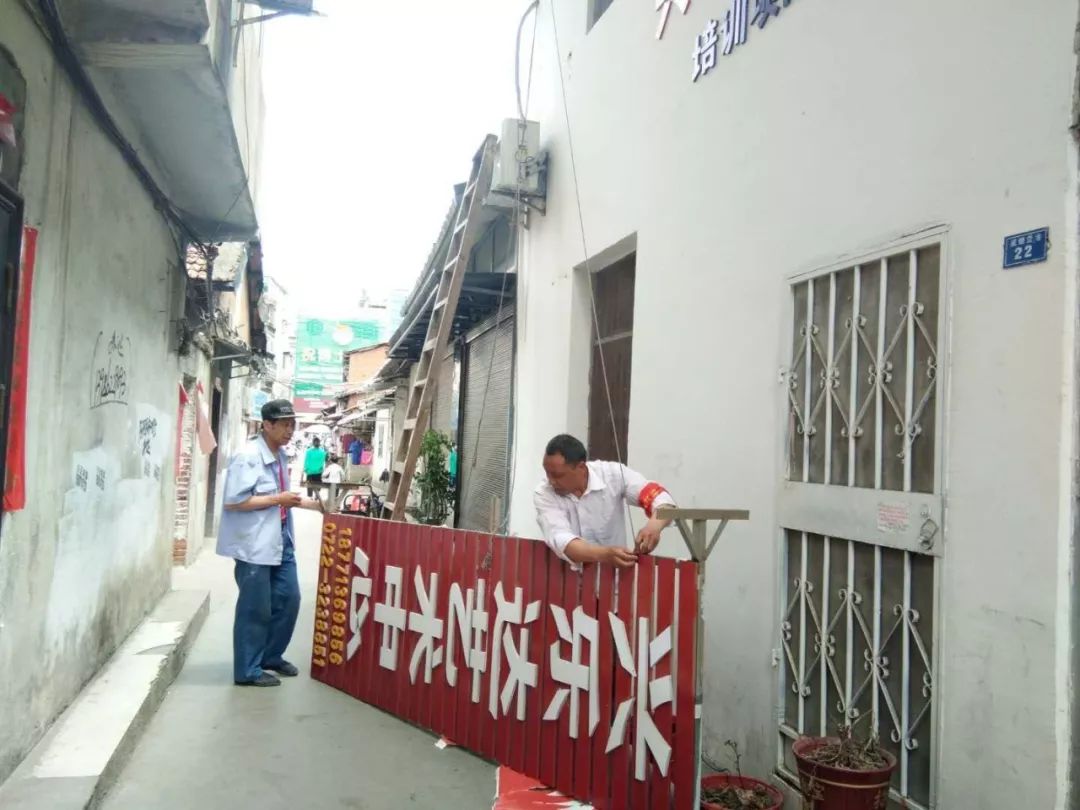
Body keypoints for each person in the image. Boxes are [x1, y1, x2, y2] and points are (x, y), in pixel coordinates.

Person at [218, 399, 323, 687]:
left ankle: (270, 656)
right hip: (254, 544)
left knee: (289, 599)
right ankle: (247, 670)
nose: (290, 431)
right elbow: (233, 502)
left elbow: (284, 498)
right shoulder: (247, 456)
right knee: (255, 608)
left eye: (293, 425)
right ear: (267, 424)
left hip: (281, 538)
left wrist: (316, 506)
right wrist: (278, 499)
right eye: (285, 425)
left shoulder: (281, 456)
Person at [534, 434, 677, 569]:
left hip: (617, 580)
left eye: (557, 475)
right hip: (567, 580)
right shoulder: (544, 493)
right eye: (547, 473)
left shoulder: (613, 474)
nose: (551, 481)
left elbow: (662, 499)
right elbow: (563, 541)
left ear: (581, 468)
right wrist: (605, 555)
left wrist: (654, 526)